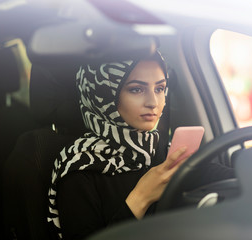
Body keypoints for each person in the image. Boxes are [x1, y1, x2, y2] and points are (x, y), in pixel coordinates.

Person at [46, 51, 232, 240]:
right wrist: (141, 197)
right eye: (136, 89)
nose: (153, 102)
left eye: (160, 88)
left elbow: (224, 177)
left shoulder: (163, 150)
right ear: (105, 95)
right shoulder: (79, 165)